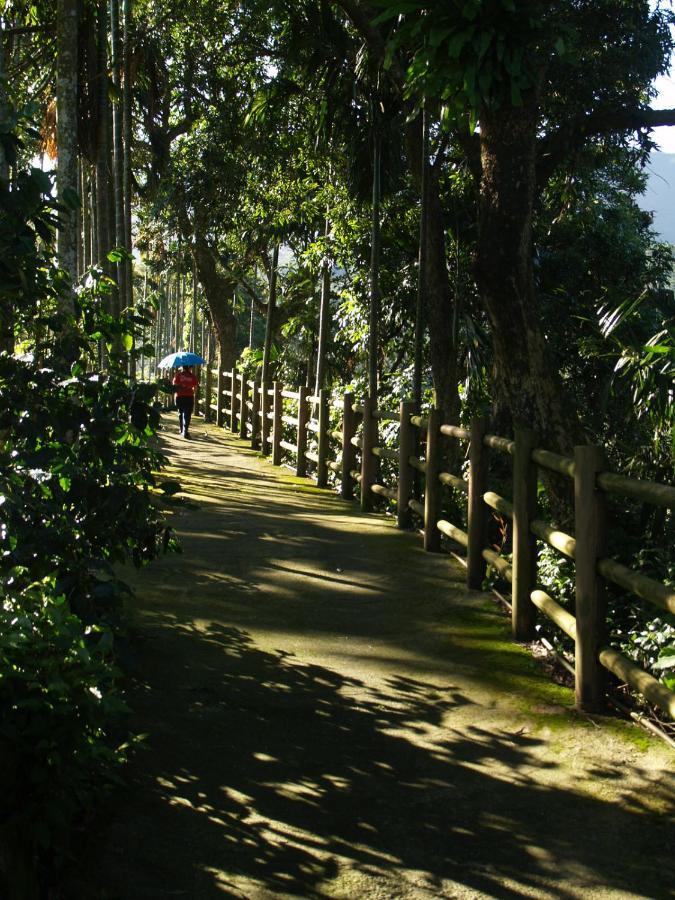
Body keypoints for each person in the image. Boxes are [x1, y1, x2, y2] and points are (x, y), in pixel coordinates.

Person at [172, 365, 199, 438]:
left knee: (180, 413)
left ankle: (181, 430)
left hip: (179, 397)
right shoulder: (193, 376)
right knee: (187, 415)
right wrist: (194, 394)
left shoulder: (178, 376)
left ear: (182, 367)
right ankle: (185, 430)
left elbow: (174, 386)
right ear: (190, 368)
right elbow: (195, 387)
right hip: (189, 397)